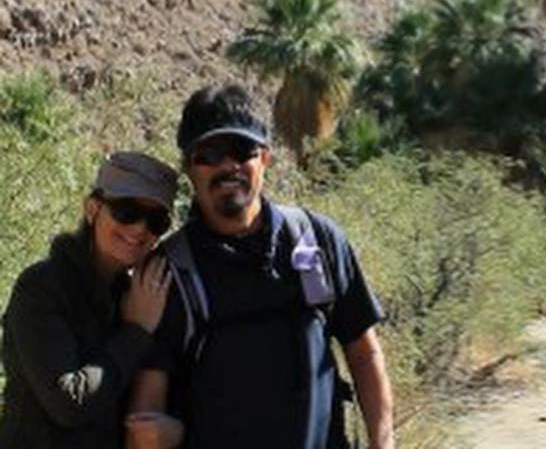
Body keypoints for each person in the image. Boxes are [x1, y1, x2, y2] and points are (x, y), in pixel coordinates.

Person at [126, 84, 394, 449]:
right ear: (189, 167)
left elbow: (363, 352)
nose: (227, 167)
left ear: (264, 158)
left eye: (241, 150)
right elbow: (148, 406)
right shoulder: (169, 273)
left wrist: (383, 442)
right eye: (209, 154)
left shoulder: (317, 238)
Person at [0, 151, 182, 449]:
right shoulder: (42, 288)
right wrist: (136, 332)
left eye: (156, 220)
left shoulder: (139, 297)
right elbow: (70, 404)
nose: (139, 229)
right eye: (126, 212)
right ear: (92, 209)